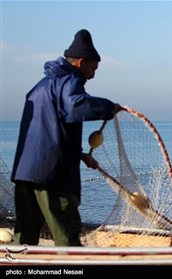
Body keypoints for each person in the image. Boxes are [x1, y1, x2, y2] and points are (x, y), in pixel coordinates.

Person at [10, 29, 121, 246]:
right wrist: (108, 107)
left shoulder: (41, 86)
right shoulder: (70, 80)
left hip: (24, 172)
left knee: (23, 237)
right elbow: (76, 106)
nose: (93, 74)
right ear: (80, 62)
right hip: (51, 176)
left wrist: (78, 154)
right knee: (67, 237)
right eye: (93, 67)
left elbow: (48, 133)